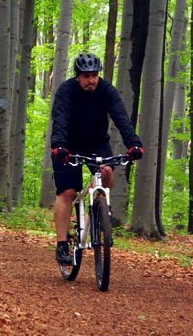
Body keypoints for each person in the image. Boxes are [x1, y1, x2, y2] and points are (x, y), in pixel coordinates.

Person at [49, 52, 144, 265]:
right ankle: (62, 244)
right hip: (67, 144)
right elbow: (60, 118)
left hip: (96, 142)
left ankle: (100, 212)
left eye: (94, 75)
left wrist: (134, 144)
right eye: (86, 76)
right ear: (78, 76)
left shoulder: (106, 91)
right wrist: (59, 146)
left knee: (107, 173)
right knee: (67, 191)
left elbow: (121, 118)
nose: (91, 80)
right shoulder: (67, 91)